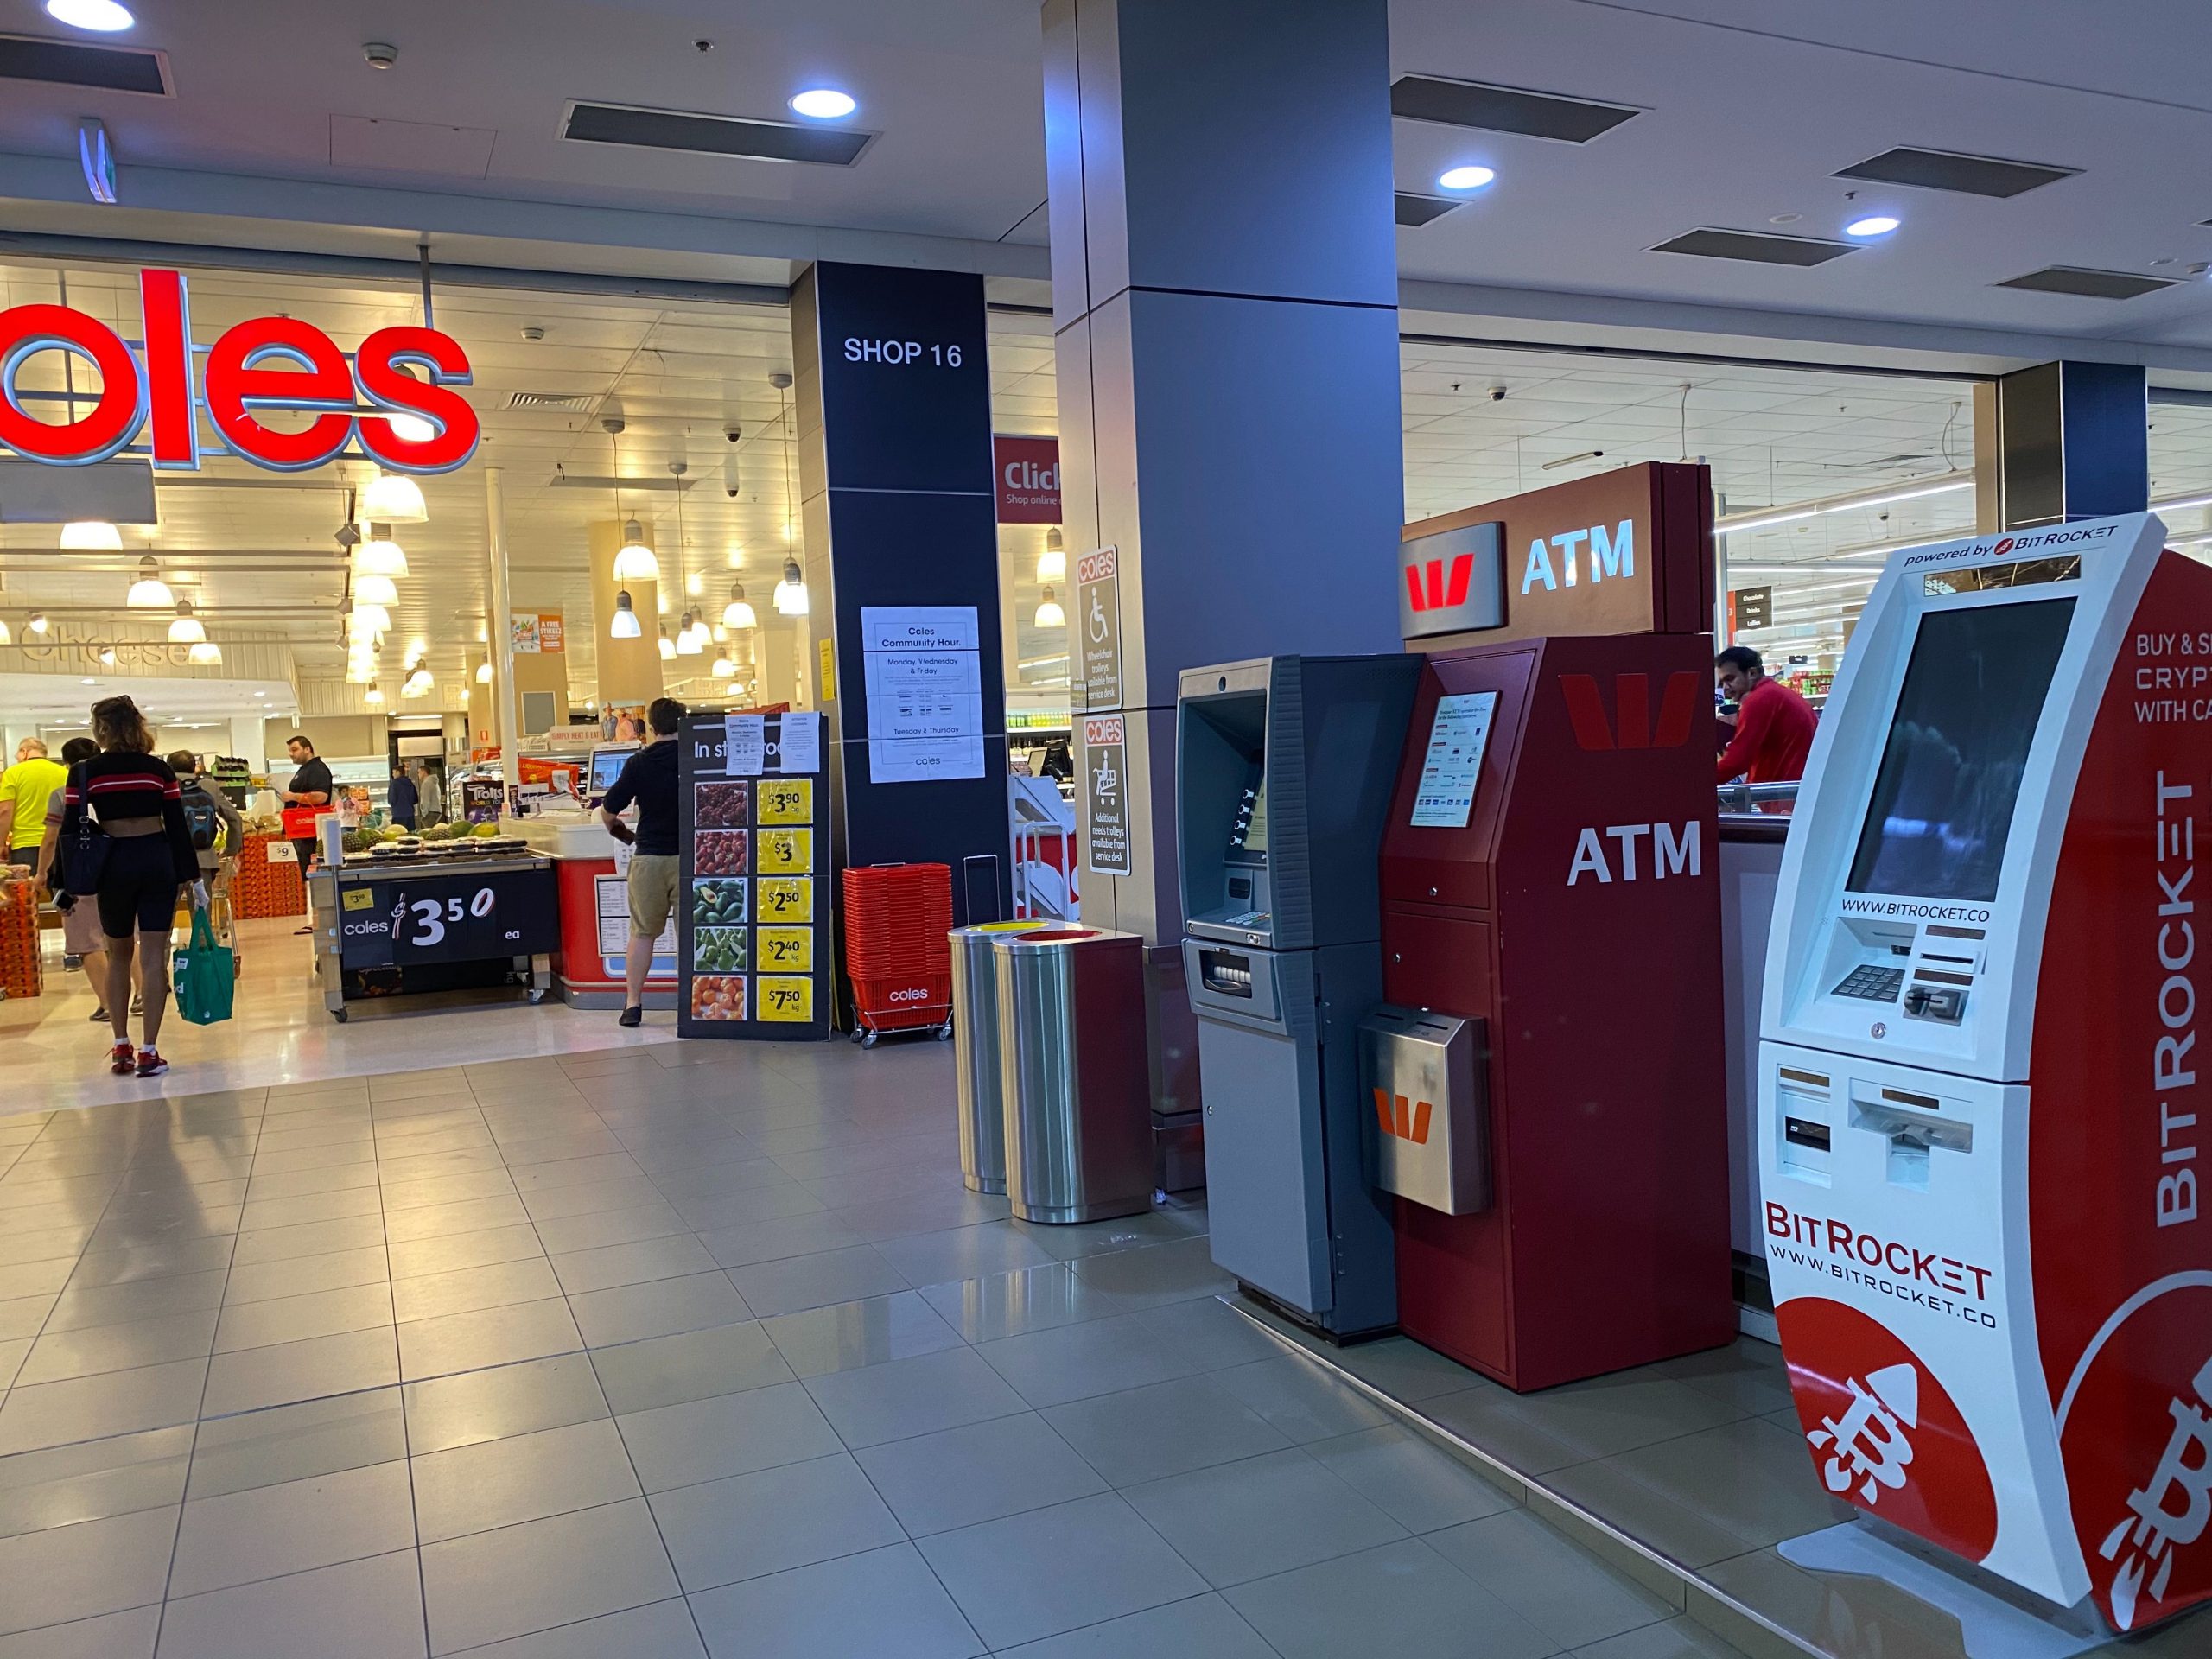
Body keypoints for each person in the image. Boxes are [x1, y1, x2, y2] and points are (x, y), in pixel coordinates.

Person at [56, 696, 201, 1078]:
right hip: (157, 860)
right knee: (153, 958)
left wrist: (63, 885)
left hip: (112, 865)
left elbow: (70, 830)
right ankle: (150, 1051)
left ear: (101, 729)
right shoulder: (159, 770)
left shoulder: (85, 772)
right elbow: (177, 826)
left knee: (117, 954)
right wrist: (194, 878)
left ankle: (121, 1045)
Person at [34, 736, 134, 1022]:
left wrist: (42, 872)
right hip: (120, 867)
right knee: (130, 935)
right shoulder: (113, 785)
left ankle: (108, 1004)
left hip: (81, 871)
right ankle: (140, 995)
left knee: (88, 941)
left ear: (66, 763)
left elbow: (51, 840)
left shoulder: (63, 793)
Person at [599, 696, 683, 1029]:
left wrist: (627, 837)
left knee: (643, 933)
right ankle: (694, 1002)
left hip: (649, 857)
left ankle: (633, 1005)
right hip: (692, 859)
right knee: (690, 934)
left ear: (649, 727)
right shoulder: (697, 758)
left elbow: (608, 811)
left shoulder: (638, 763)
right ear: (684, 723)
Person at [169, 751, 246, 974]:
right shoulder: (209, 786)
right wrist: (230, 850)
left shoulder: (162, 787)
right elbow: (234, 818)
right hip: (203, 861)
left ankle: (160, 979)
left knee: (163, 924)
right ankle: (206, 971)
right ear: (195, 767)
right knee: (201, 917)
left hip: (170, 863)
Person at [1714, 645, 1818, 788]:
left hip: (1782, 796)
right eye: (1722, 682)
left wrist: (1695, 783)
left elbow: (1737, 761)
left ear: (1752, 673)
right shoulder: (1777, 693)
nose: (1725, 687)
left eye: (1730, 679)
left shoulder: (1760, 699)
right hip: (1794, 791)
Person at [278, 734, 333, 934]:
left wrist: (292, 796)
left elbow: (321, 796)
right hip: (301, 829)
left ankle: (320, 920)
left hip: (310, 830)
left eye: (295, 749)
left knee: (315, 874)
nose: (291, 754)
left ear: (307, 749)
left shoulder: (317, 769)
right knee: (310, 875)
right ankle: (317, 919)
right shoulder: (304, 770)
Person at [0, 737, 67, 871]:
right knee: (58, 890)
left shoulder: (13, 772)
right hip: (59, 843)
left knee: (29, 889)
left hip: (25, 844)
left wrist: (1, 843)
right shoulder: (64, 772)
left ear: (24, 752)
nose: (18, 760)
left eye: (17, 756)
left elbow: (5, 810)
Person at [387, 763, 419, 831]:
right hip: (410, 814)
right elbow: (415, 799)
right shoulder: (410, 783)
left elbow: (391, 800)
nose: (393, 775)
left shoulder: (394, 784)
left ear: (398, 772)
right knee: (411, 835)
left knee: (399, 835)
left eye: (394, 773)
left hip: (398, 814)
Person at [415, 760, 444, 827]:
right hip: (436, 811)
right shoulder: (434, 782)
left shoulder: (426, 783)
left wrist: (424, 813)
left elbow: (425, 799)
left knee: (428, 833)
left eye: (419, 772)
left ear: (424, 772)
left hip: (430, 812)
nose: (418, 775)